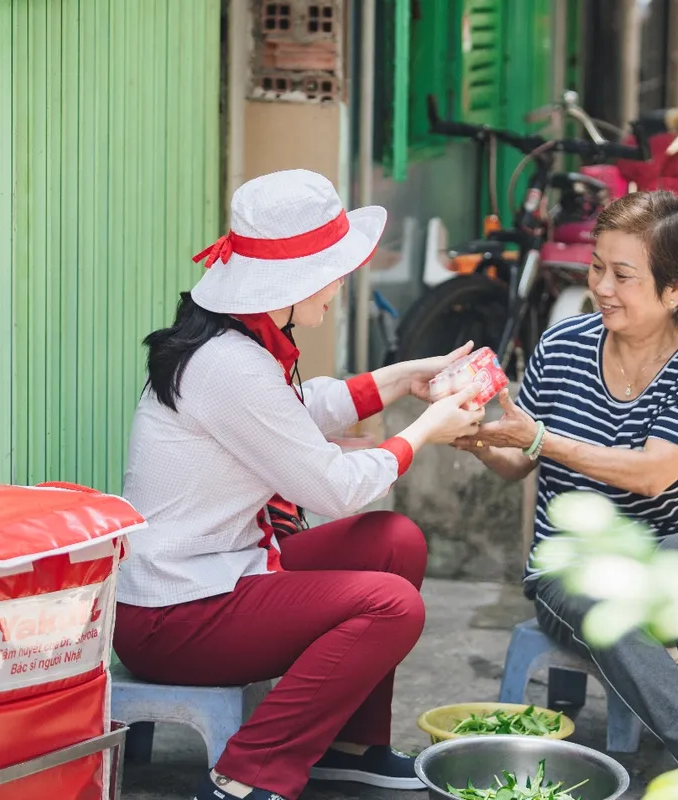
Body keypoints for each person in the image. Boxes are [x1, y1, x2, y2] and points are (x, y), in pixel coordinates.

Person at [113, 169, 485, 800]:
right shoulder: (229, 363)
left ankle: (349, 747)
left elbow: (294, 411)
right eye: (333, 270)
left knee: (395, 540)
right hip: (174, 615)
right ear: (292, 280)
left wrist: (402, 377)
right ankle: (249, 773)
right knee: (391, 605)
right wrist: (425, 430)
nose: (339, 285)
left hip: (227, 570)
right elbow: (333, 488)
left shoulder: (234, 340)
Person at [454, 191, 678, 797]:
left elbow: (651, 473)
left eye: (623, 275)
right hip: (573, 566)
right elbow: (515, 462)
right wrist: (480, 438)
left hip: (675, 562)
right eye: (597, 267)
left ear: (675, 289)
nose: (602, 286)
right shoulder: (562, 348)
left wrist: (540, 439)